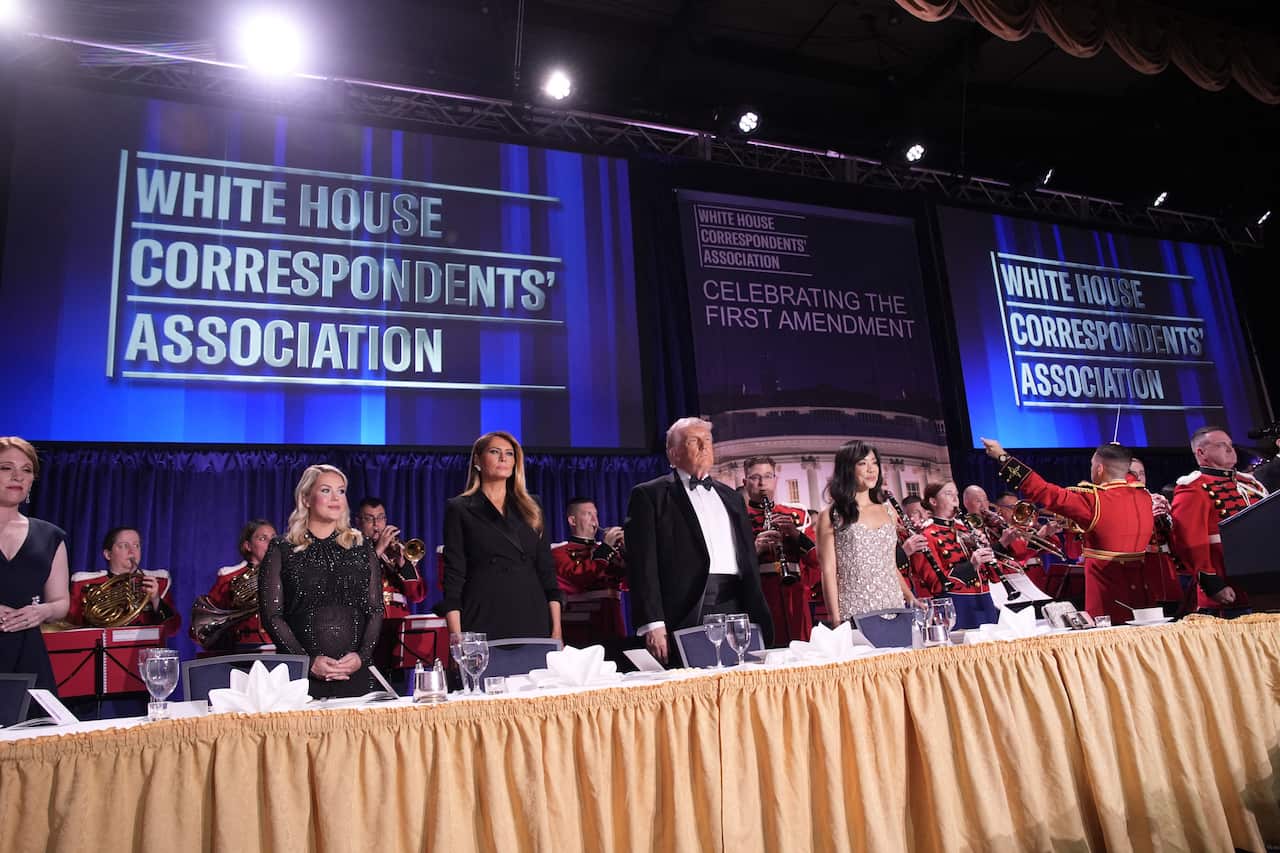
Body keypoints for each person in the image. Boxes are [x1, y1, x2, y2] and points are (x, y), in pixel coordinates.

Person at [624, 417, 773, 664]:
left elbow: (746, 559)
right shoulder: (650, 495)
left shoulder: (732, 497)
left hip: (736, 604)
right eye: (694, 441)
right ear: (673, 454)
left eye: (708, 441)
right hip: (685, 607)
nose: (705, 447)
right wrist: (653, 622)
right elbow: (642, 565)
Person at [982, 438, 1155, 624]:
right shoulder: (1144, 496)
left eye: (1092, 465)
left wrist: (1002, 457)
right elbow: (1124, 474)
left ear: (1099, 469)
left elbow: (1042, 490)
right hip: (1143, 598)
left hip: (1108, 603)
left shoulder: (1093, 501)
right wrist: (1118, 455)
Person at [260, 464, 383, 698]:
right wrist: (307, 661)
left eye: (341, 491)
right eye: (326, 490)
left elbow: (375, 609)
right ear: (306, 498)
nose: (335, 498)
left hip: (354, 675)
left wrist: (361, 657)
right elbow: (272, 615)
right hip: (301, 679)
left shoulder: (362, 546)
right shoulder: (282, 548)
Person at [441, 431, 563, 640]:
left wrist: (557, 628)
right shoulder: (459, 508)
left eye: (509, 453)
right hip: (483, 614)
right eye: (495, 452)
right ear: (478, 460)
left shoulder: (532, 507)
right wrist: (456, 634)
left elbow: (547, 572)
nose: (503, 458)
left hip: (531, 614)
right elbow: (454, 576)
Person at [814, 441, 923, 624]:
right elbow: (828, 570)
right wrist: (835, 618)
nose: (871, 470)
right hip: (855, 608)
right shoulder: (831, 515)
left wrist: (910, 597)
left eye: (874, 463)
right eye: (863, 463)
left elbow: (889, 565)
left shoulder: (889, 512)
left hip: (892, 604)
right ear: (847, 469)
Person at [1170, 426, 1268, 615]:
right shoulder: (1194, 488)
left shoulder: (1250, 484)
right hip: (1228, 589)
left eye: (1230, 444)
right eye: (1221, 445)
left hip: (1266, 585)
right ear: (1201, 452)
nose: (1230, 449)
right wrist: (1212, 583)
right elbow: (1189, 542)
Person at [0, 437, 70, 693]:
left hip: (28, 658)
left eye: (26, 470)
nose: (17, 476)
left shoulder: (50, 536)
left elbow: (61, 602)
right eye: (6, 467)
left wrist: (41, 612)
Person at [743, 456, 820, 644]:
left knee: (801, 652)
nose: (762, 483)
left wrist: (795, 535)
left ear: (776, 479)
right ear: (745, 483)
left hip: (795, 595)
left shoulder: (797, 515)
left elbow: (817, 560)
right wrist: (755, 550)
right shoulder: (738, 517)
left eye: (768, 476)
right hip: (761, 594)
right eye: (755, 477)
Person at [908, 481, 999, 629]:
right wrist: (971, 565)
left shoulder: (967, 530)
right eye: (948, 494)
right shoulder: (926, 536)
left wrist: (988, 552)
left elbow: (993, 577)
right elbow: (937, 584)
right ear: (933, 501)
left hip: (985, 603)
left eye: (956, 494)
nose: (955, 499)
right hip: (957, 606)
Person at [69, 527, 181, 636]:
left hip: (145, 650)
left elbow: (172, 629)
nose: (132, 551)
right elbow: (71, 627)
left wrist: (156, 600)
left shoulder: (157, 583)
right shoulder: (84, 584)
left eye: (136, 545)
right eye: (123, 546)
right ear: (108, 554)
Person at [192, 519, 277, 650]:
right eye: (262, 538)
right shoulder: (230, 577)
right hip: (245, 648)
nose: (271, 543)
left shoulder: (286, 573)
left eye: (273, 537)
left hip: (281, 647)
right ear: (248, 546)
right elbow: (207, 622)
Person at [356, 498, 425, 620]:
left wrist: (403, 563)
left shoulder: (395, 551)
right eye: (369, 519)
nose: (376, 524)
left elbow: (417, 595)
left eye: (380, 518)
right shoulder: (351, 550)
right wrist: (379, 549)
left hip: (398, 620)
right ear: (358, 522)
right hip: (367, 622)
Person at [551, 497, 626, 595]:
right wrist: (606, 548)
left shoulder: (607, 550)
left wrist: (626, 550)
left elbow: (630, 580)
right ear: (573, 521)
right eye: (588, 514)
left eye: (596, 514)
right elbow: (579, 578)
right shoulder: (558, 552)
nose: (595, 520)